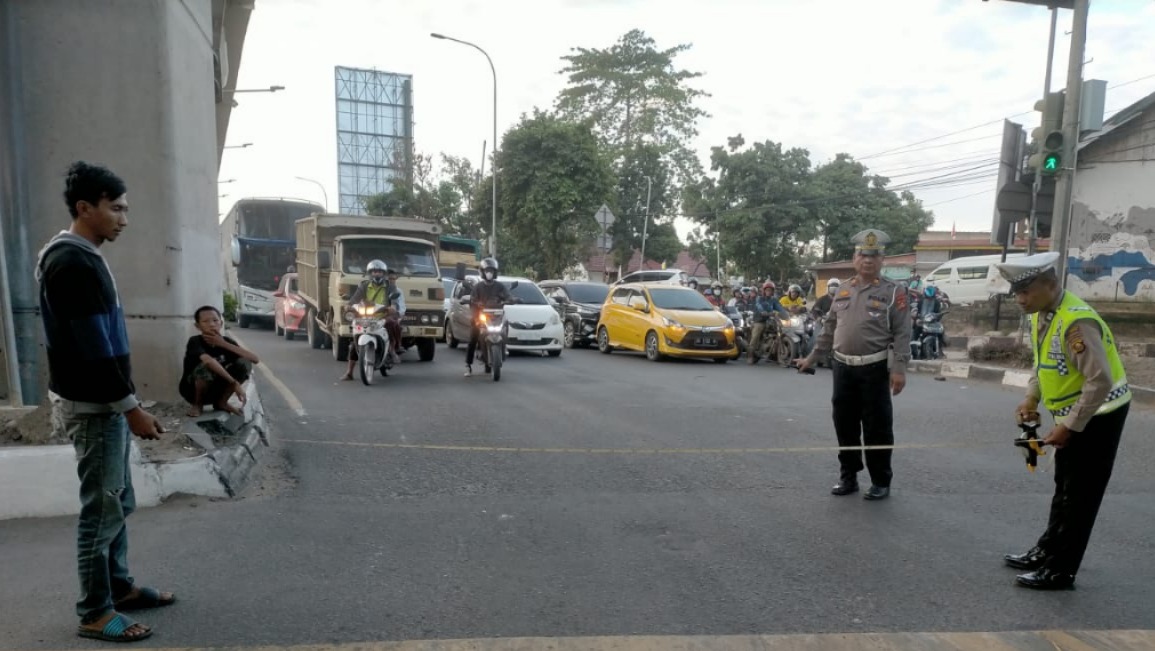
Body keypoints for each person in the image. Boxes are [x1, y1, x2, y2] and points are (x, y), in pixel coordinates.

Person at [35, 161, 172, 642]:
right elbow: (92, 345)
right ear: (84, 208)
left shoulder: (83, 255)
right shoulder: (70, 261)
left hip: (104, 403)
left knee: (120, 500)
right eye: (115, 208)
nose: (124, 218)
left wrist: (126, 403)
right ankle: (94, 611)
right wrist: (129, 406)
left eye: (126, 208)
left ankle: (118, 587)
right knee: (102, 508)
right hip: (95, 407)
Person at [996, 251, 1132, 590]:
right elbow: (1045, 364)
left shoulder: (1076, 322)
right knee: (1064, 489)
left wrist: (1070, 426)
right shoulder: (1042, 314)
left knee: (1080, 496)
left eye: (1026, 291)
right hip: (1076, 412)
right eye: (1017, 292)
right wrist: (1031, 397)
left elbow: (1098, 382)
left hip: (1099, 415)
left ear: (1051, 284)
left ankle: (1061, 570)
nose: (1020, 299)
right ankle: (1047, 551)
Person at [796, 229, 911, 501]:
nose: (867, 260)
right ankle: (848, 476)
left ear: (882, 260)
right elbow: (829, 329)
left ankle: (881, 480)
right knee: (844, 424)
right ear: (854, 258)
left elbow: (903, 333)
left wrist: (899, 369)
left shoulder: (894, 292)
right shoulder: (843, 290)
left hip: (874, 370)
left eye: (874, 255)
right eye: (862, 254)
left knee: (877, 428)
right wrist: (811, 358)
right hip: (843, 369)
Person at [179, 306, 260, 416]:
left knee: (244, 363)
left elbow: (254, 359)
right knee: (206, 367)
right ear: (197, 326)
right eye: (205, 321)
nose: (211, 324)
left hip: (216, 389)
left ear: (221, 323)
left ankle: (221, 402)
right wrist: (234, 383)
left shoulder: (226, 342)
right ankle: (198, 405)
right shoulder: (195, 341)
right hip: (192, 391)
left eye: (215, 320)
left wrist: (223, 344)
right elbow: (208, 361)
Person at [341, 259, 404, 380]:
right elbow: (354, 299)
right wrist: (348, 306)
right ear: (370, 273)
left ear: (383, 273)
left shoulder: (390, 286)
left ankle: (392, 349)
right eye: (374, 272)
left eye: (379, 272)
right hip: (366, 316)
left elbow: (395, 303)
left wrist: (392, 308)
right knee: (355, 341)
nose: (377, 274)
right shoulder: (364, 286)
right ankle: (349, 372)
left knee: (392, 323)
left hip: (383, 315)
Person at [465, 257, 513, 377]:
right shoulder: (478, 287)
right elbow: (472, 299)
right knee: (473, 338)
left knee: (505, 328)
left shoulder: (500, 286)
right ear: (482, 272)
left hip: (496, 316)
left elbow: (507, 295)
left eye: (491, 270)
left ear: (495, 272)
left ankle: (503, 348)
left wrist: (511, 300)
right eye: (487, 270)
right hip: (480, 316)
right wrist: (475, 303)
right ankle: (468, 365)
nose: (489, 273)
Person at [747, 281, 787, 365]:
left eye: (770, 290)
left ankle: (775, 354)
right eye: (767, 290)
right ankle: (750, 356)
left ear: (773, 291)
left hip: (770, 320)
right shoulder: (759, 298)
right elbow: (759, 306)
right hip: (759, 320)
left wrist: (786, 315)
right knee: (756, 335)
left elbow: (780, 308)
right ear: (764, 291)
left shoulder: (774, 300)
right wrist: (763, 312)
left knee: (780, 331)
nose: (769, 292)